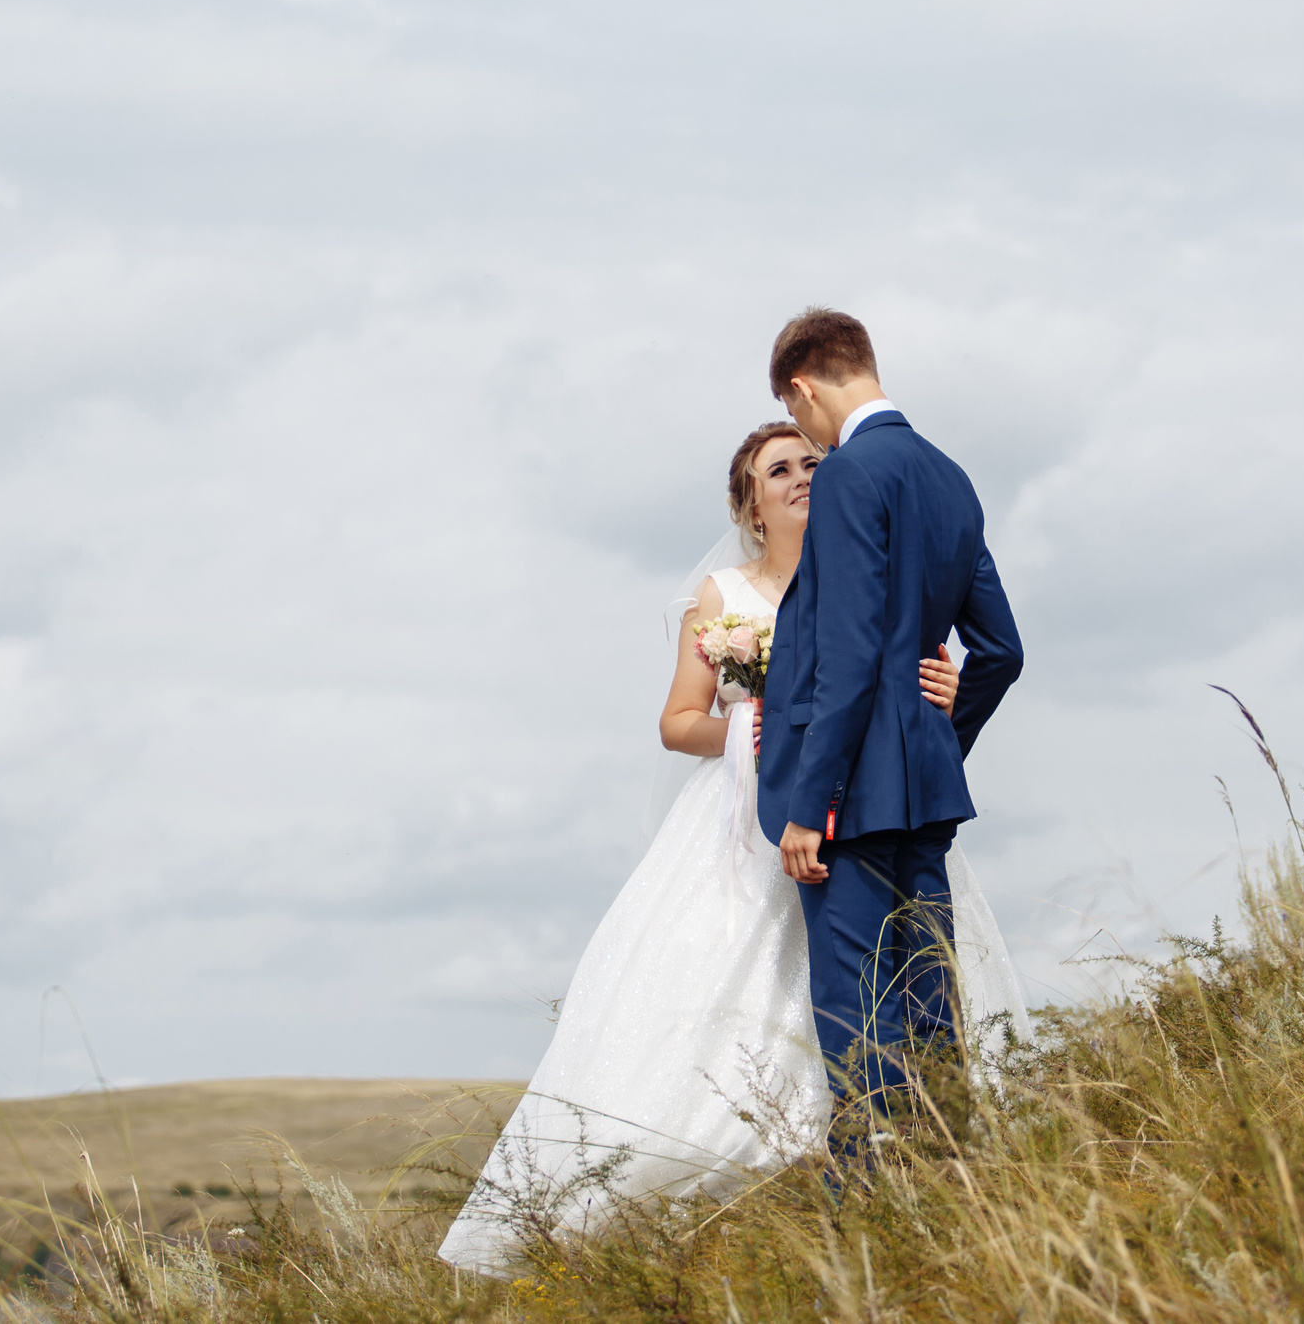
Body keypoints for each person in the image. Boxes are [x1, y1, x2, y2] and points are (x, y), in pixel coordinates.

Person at [437, 420, 1030, 1276]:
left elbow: (923, 666)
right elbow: (678, 720)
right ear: (750, 504)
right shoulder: (723, 596)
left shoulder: (876, 569)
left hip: (869, 809)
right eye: (779, 469)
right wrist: (756, 725)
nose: (802, 477)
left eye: (813, 462)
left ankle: (891, 1163)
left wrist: (940, 690)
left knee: (899, 977)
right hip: (749, 817)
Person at [755, 308, 1024, 1130]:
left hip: (851, 808)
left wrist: (812, 804)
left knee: (858, 1020)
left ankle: (872, 1217)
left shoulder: (847, 474)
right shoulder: (951, 479)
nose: (804, 431)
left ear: (804, 386)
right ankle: (949, 1194)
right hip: (925, 800)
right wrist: (936, 730)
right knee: (931, 1008)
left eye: (795, 412)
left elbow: (849, 650)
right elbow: (1002, 650)